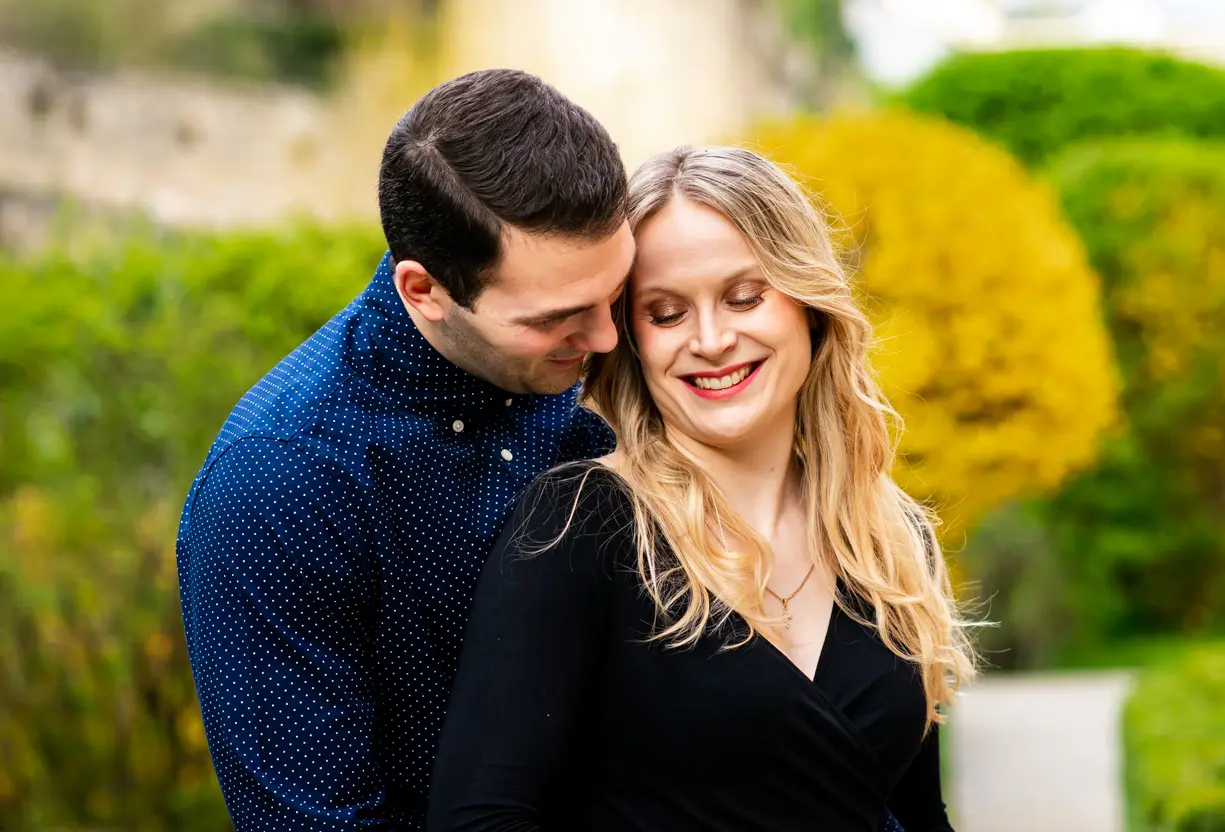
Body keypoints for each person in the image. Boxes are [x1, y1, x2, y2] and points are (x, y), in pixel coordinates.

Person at [426, 146, 978, 832]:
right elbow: (478, 819)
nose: (712, 339)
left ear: (808, 305)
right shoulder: (580, 526)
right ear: (631, 340)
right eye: (665, 313)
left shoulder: (891, 537)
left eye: (745, 296)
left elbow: (922, 814)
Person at [175, 69, 634, 829]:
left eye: (615, 293)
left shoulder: (611, 341)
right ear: (423, 290)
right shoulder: (279, 485)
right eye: (559, 319)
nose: (609, 340)